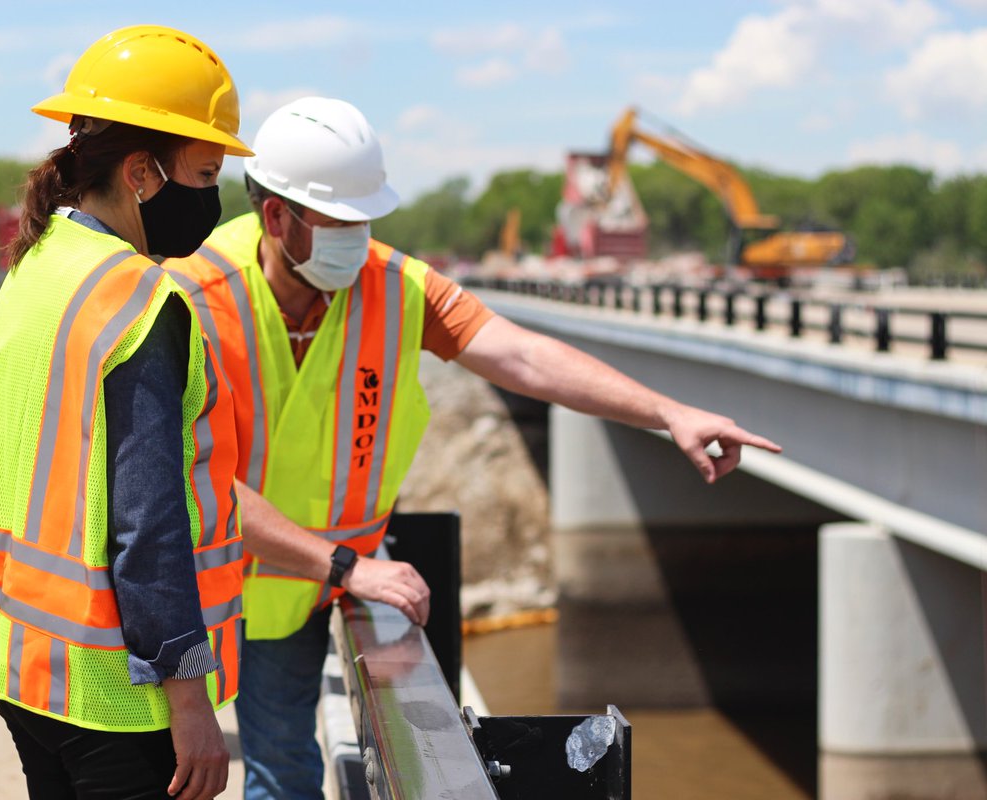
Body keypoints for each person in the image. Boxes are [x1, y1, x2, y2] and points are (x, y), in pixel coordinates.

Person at [162, 96, 784, 800]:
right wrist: (344, 564)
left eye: (368, 219)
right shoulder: (193, 294)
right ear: (278, 217)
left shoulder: (396, 288)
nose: (359, 238)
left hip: (302, 596)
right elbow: (186, 475)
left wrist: (664, 412)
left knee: (283, 776)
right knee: (165, 775)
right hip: (195, 583)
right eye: (341, 221)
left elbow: (521, 357)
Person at [0, 26, 252, 800]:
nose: (214, 198)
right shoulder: (139, 299)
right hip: (107, 686)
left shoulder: (39, 264)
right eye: (206, 173)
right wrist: (190, 696)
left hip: (23, 660)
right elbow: (148, 520)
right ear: (140, 173)